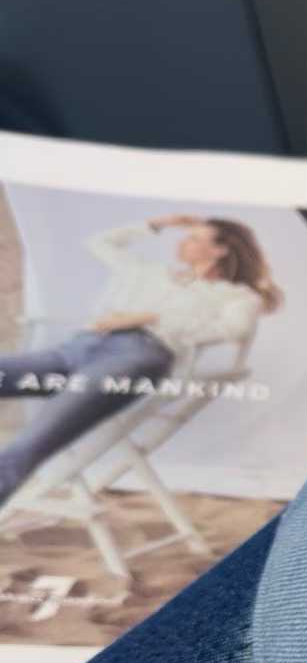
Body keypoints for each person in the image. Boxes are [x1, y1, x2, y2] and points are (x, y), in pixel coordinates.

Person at [0, 215, 282, 509]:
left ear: (220, 250)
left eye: (194, 238)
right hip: (78, 348)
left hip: (137, 357)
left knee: (31, 442)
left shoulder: (237, 296)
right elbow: (99, 243)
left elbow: (233, 329)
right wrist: (159, 224)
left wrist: (149, 318)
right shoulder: (149, 273)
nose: (182, 242)